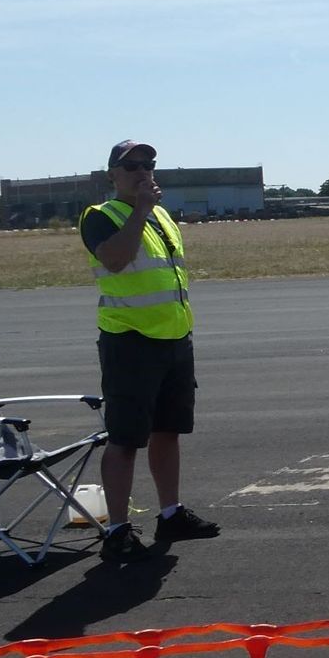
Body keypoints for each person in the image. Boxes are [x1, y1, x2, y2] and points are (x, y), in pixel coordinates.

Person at [79, 139, 223, 560]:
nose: (143, 171)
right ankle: (117, 530)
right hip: (130, 341)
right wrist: (140, 210)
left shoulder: (161, 215)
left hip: (174, 339)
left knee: (168, 430)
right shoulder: (100, 216)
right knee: (125, 438)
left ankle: (171, 513)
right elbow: (115, 260)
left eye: (149, 164)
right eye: (132, 166)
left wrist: (148, 211)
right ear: (113, 175)